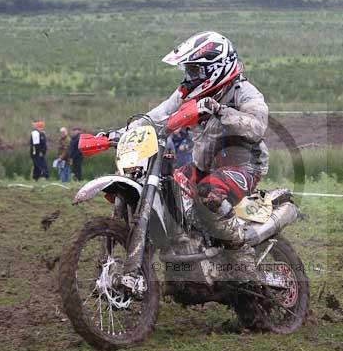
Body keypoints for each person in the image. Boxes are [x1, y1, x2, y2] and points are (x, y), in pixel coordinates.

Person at [114, 31, 269, 278]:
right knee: (166, 190)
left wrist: (220, 111)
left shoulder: (244, 92)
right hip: (203, 165)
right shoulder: (188, 93)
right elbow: (156, 117)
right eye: (188, 71)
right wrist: (118, 133)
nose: (189, 78)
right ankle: (185, 254)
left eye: (195, 71)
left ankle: (242, 256)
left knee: (208, 192)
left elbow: (257, 125)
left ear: (217, 68)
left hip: (243, 167)